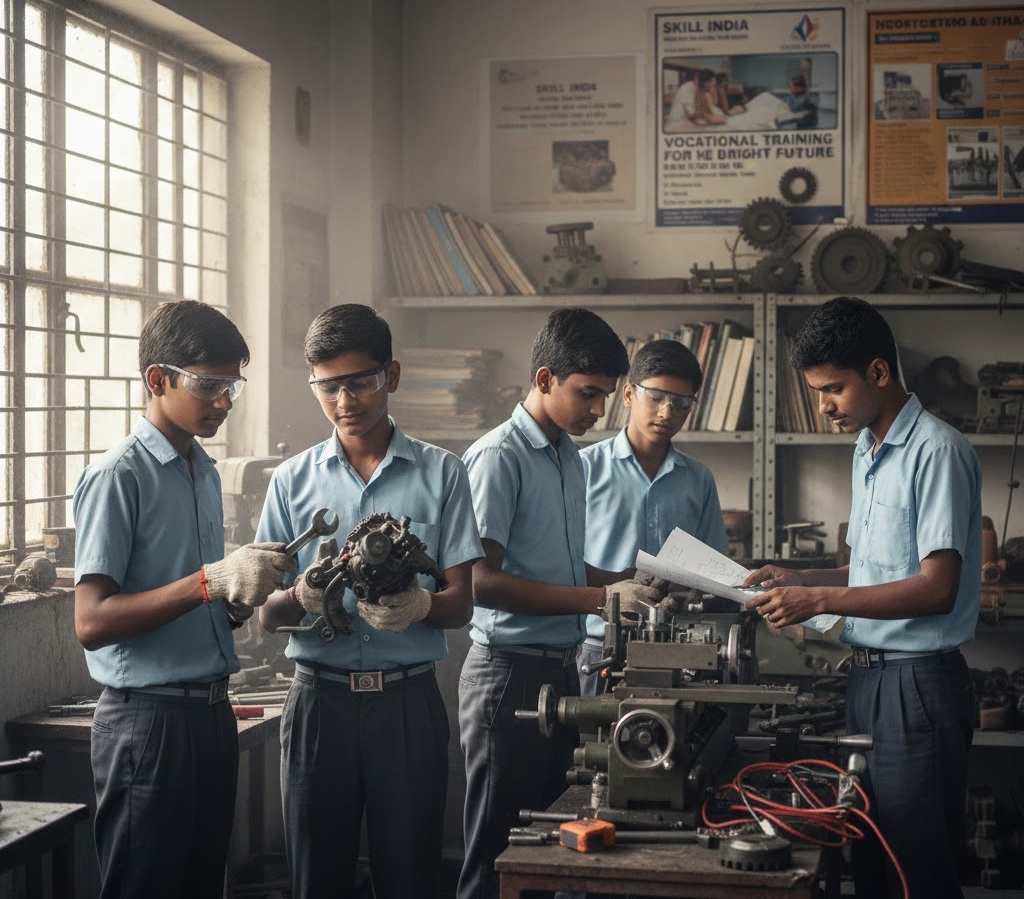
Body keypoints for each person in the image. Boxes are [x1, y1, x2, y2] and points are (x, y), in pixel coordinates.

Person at [741, 296, 981, 898]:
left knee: (915, 871)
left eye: (833, 389)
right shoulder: (869, 448)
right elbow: (875, 569)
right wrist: (802, 580)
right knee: (870, 861)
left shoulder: (937, 450)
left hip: (917, 687)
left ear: (879, 372)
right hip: (870, 682)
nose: (823, 407)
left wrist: (819, 598)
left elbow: (936, 588)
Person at [257, 303, 482, 899]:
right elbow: (264, 614)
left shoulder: (444, 474)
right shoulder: (290, 481)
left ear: (393, 375)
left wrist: (421, 607)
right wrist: (301, 594)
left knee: (409, 878)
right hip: (316, 705)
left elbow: (463, 602)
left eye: (359, 381)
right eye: (327, 387)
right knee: (315, 878)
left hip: (407, 703)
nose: (344, 401)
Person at [72, 300, 296, 899]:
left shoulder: (200, 469)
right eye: (209, 385)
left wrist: (242, 596)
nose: (224, 400)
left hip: (208, 715)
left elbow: (202, 600)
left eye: (232, 386)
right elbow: (91, 621)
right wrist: (212, 580)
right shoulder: (119, 475)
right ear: (157, 379)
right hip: (147, 724)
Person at [457, 308, 661, 899]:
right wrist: (602, 597)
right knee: (499, 854)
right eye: (588, 394)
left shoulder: (566, 454)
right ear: (545, 379)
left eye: (605, 397)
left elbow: (561, 568)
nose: (598, 412)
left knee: (548, 846)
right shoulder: (499, 457)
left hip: (558, 671)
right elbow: (481, 581)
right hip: (506, 676)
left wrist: (629, 582)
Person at [578, 340, 728, 695]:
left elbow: (713, 568)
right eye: (656, 397)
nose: (666, 412)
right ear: (629, 394)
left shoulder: (698, 479)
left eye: (681, 403)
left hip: (676, 646)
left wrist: (687, 587)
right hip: (597, 644)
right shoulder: (583, 470)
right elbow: (562, 560)